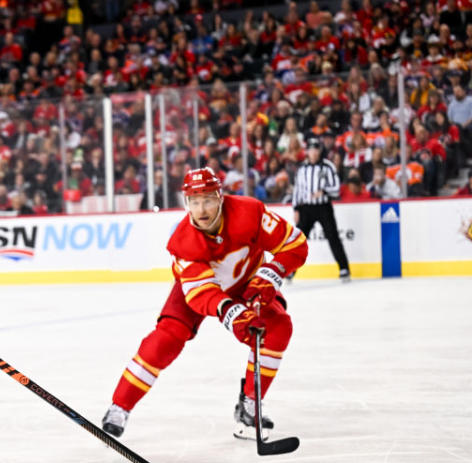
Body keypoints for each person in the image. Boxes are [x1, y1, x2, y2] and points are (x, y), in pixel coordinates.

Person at [101, 167, 308, 442]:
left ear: (221, 198)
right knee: (165, 340)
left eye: (208, 199)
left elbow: (294, 245)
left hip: (247, 283)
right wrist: (233, 314)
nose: (201, 209)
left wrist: (270, 274)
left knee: (278, 328)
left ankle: (250, 403)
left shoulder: (250, 213)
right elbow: (202, 294)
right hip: (198, 291)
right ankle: (119, 407)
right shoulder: (183, 243)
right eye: (194, 201)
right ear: (186, 203)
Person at [292, 139, 351, 281]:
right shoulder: (302, 169)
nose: (313, 152)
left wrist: (323, 191)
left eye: (316, 149)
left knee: (333, 237)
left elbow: (337, 188)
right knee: (298, 240)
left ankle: (344, 268)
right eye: (310, 150)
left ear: (319, 151)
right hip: (306, 208)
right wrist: (296, 208)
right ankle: (290, 270)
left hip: (323, 207)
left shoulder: (327, 167)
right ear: (307, 152)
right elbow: (297, 190)